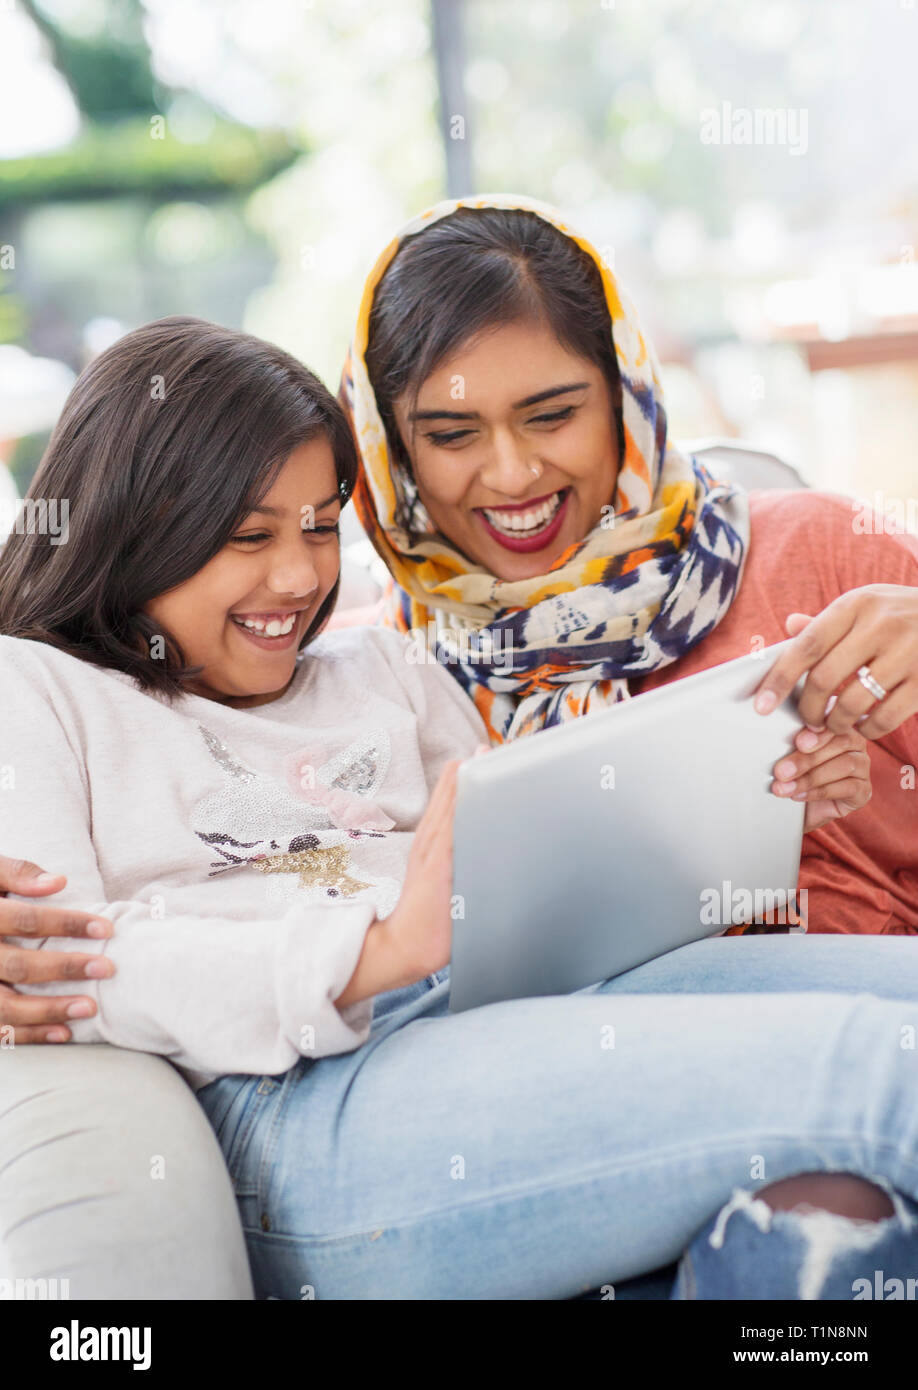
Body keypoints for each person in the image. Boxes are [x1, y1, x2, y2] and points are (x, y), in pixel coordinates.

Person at [0, 315, 916, 1301]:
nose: (300, 575)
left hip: (513, 1013)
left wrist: (767, 794)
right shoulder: (37, 688)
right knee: (873, 1071)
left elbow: (539, 887)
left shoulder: (379, 664)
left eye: (318, 525)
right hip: (308, 1105)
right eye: (248, 536)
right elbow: (66, 966)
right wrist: (382, 948)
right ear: (135, 526)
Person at [339, 192, 918, 936]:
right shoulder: (365, 678)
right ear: (392, 453)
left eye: (551, 416)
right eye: (453, 435)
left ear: (626, 397)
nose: (513, 475)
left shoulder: (827, 556)